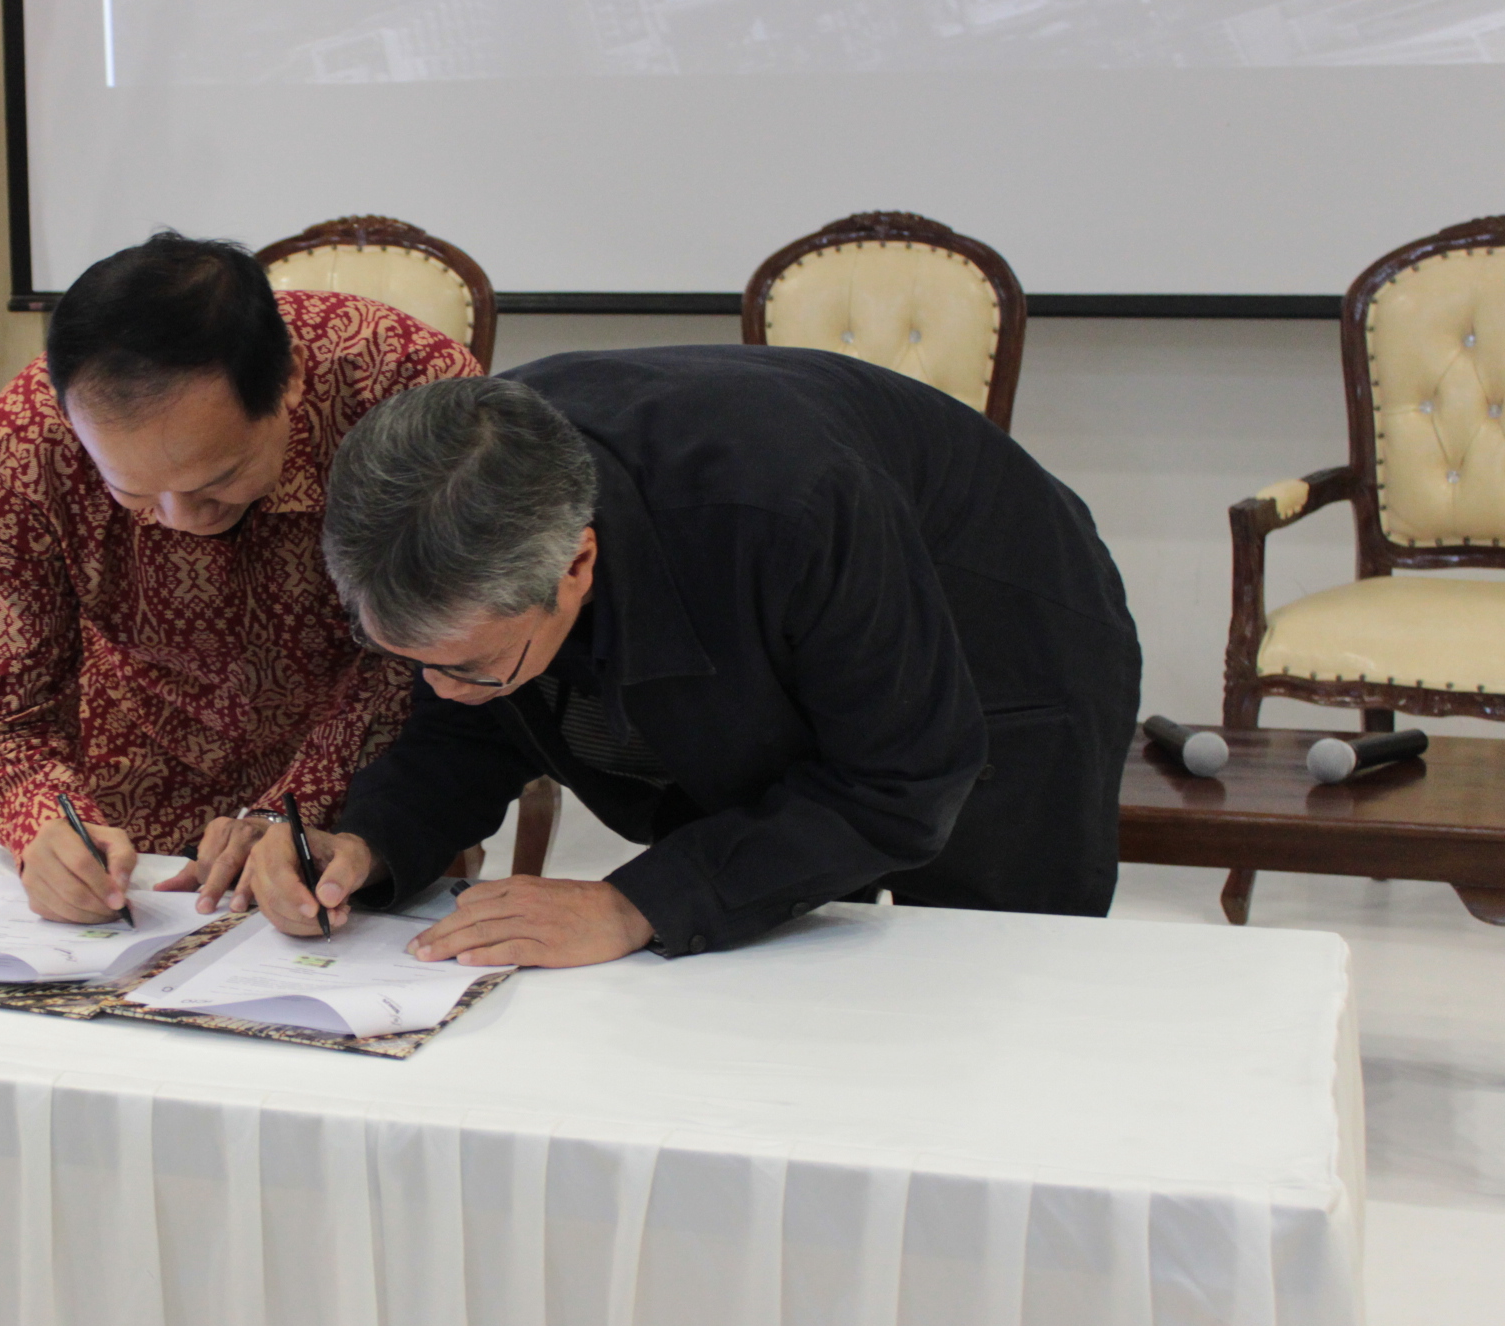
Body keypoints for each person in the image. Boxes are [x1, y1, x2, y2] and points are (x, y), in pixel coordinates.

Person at [241, 349, 1142, 966]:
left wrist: (637, 905)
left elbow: (904, 781)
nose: (441, 688)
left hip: (1007, 643)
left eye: (468, 664)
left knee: (989, 987)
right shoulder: (455, 510)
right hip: (777, 599)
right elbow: (466, 732)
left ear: (577, 566)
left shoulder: (786, 506)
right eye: (404, 655)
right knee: (772, 974)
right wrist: (371, 840)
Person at [0, 231, 479, 922]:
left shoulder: (408, 394)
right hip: (139, 781)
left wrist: (289, 812)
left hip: (366, 798)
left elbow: (427, 652)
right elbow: (6, 714)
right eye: (135, 493)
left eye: (221, 479)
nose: (180, 519)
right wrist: (48, 828)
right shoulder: (27, 446)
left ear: (290, 380)